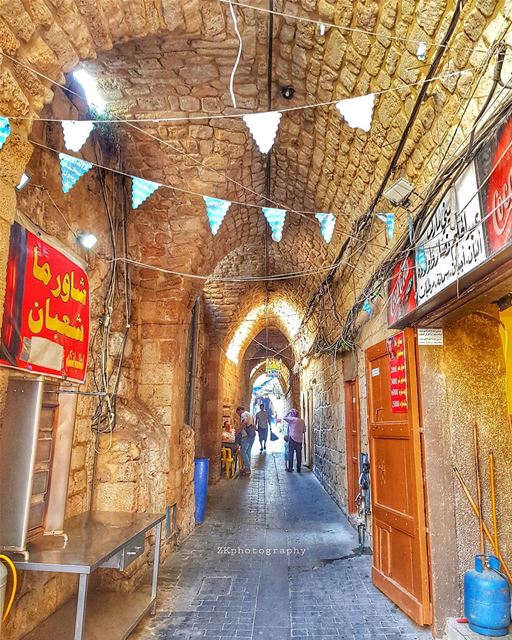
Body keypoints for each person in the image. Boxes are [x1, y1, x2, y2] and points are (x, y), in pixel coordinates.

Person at [283, 408, 306, 473]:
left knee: (291, 453)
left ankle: (290, 467)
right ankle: (298, 468)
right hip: (299, 439)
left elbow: (284, 418)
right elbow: (304, 430)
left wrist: (288, 412)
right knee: (299, 454)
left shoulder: (292, 419)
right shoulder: (302, 421)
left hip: (292, 439)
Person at [236, 406, 256, 476]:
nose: (238, 415)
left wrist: (239, 430)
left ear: (240, 410)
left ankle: (247, 468)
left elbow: (245, 422)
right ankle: (247, 468)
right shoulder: (250, 414)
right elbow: (254, 425)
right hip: (252, 435)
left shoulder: (243, 414)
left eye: (238, 413)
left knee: (242, 451)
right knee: (248, 452)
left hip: (246, 436)